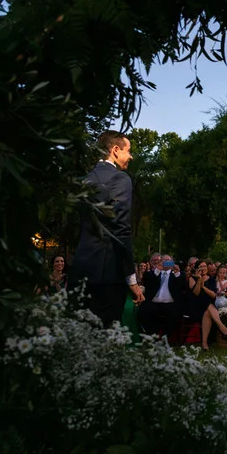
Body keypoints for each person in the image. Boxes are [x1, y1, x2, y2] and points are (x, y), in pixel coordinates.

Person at [70, 130, 144, 327]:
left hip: (80, 271)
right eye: (128, 151)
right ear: (115, 150)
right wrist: (132, 279)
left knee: (80, 334)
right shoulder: (120, 179)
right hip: (107, 276)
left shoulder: (84, 180)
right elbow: (121, 230)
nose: (131, 156)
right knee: (105, 336)